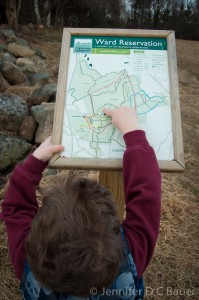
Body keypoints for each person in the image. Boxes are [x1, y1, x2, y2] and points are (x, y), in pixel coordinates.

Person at [0, 107, 161, 300]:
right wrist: (133, 133)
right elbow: (147, 197)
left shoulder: (27, 258)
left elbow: (16, 209)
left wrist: (33, 163)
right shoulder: (131, 257)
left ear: (35, 234)